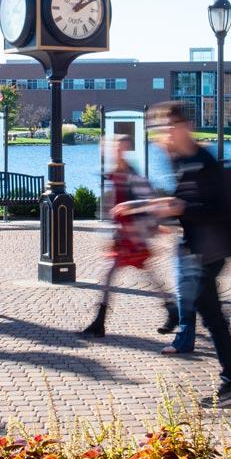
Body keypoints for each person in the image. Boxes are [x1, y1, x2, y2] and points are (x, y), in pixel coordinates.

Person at [139, 101, 231, 407]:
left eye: (168, 128)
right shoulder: (183, 161)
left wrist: (176, 208)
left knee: (211, 313)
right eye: (160, 130)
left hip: (213, 248)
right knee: (210, 312)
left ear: (183, 126)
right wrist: (158, 210)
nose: (164, 135)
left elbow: (213, 208)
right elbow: (183, 203)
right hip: (198, 247)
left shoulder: (202, 160)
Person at [79, 135, 175, 338]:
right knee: (133, 273)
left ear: (124, 149)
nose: (115, 152)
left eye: (118, 148)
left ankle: (100, 322)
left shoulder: (131, 175)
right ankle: (170, 307)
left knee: (131, 273)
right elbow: (110, 207)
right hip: (124, 236)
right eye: (113, 148)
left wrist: (151, 227)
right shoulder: (116, 174)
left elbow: (147, 201)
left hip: (132, 236)